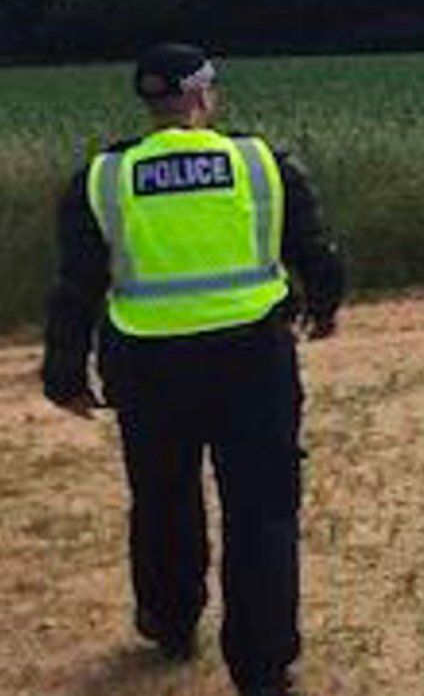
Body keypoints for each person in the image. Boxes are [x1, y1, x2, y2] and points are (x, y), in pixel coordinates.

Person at [42, 43, 345, 696]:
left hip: (148, 365)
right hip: (252, 361)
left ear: (150, 103)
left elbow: (77, 285)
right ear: (203, 94)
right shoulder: (262, 163)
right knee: (261, 510)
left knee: (163, 497)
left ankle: (171, 620)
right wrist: (323, 308)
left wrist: (64, 370)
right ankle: (262, 667)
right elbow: (314, 250)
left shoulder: (103, 177)